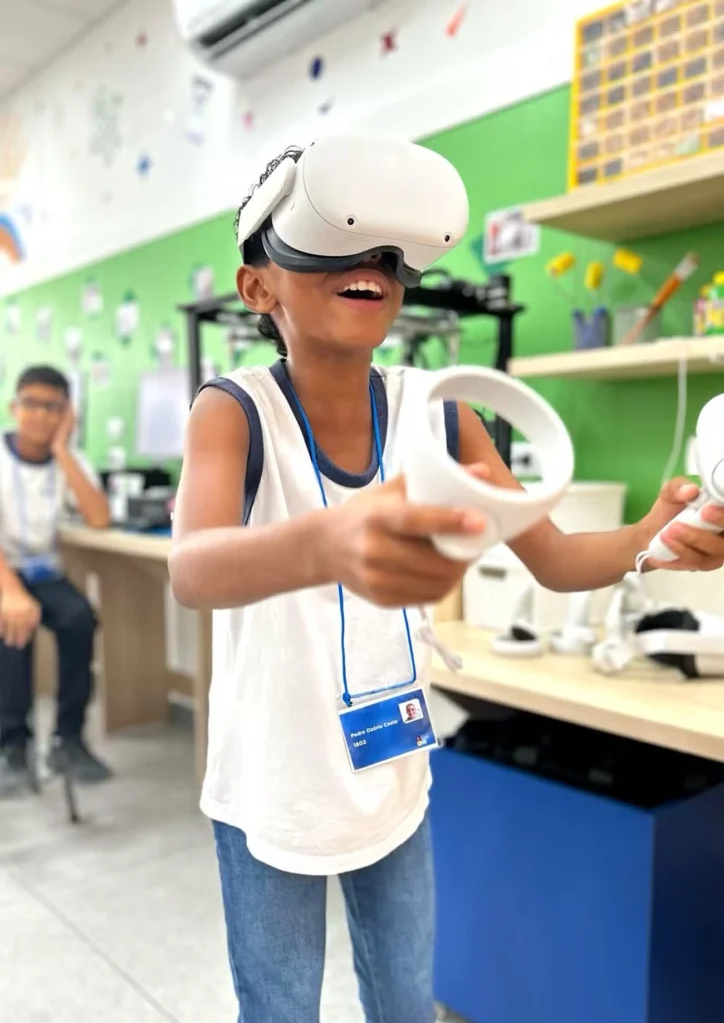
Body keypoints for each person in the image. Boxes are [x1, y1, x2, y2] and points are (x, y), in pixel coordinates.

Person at [169, 141, 724, 1023]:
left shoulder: (443, 412)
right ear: (258, 287)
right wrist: (328, 543)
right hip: (272, 784)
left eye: (389, 254)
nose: (372, 264)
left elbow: (553, 558)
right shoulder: (233, 411)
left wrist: (650, 541)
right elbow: (193, 568)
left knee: (404, 1001)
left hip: (394, 772)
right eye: (336, 243)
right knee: (278, 1008)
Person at [0, 365, 112, 797]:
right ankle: (13, 745)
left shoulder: (69, 460)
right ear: (14, 407)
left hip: (44, 572)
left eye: (54, 407)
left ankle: (68, 739)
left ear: (67, 413)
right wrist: (10, 592)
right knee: (12, 628)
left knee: (80, 618)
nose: (42, 415)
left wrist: (63, 448)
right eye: (32, 403)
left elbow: (98, 518)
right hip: (4, 572)